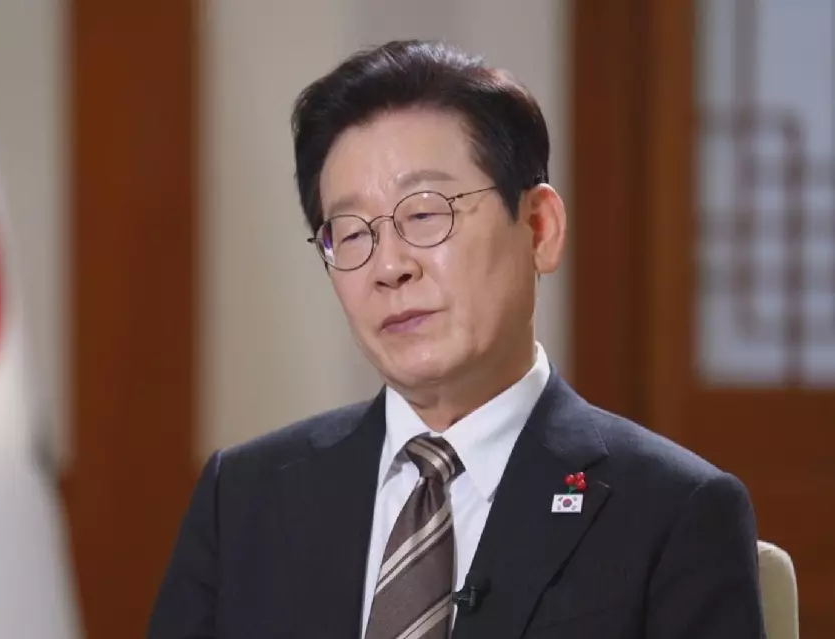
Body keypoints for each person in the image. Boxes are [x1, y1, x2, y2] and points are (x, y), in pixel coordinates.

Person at [147, 40, 765, 639]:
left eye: (424, 213)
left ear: (539, 228)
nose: (390, 266)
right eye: (352, 233)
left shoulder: (673, 512)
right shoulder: (243, 498)